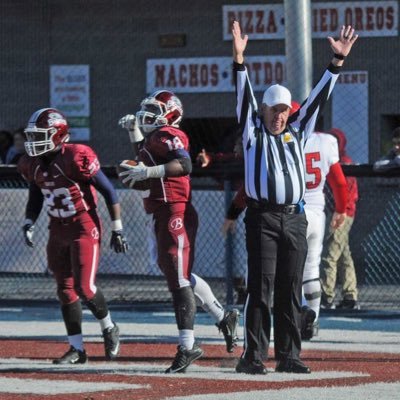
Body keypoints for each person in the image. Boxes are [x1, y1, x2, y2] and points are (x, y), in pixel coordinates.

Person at [231, 20, 358, 375]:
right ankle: (252, 357)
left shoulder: (298, 131)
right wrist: (239, 61)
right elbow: (243, 99)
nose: (280, 115)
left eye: (284, 110)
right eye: (274, 110)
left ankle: (289, 355)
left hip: (295, 217)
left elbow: (319, 96)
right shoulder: (253, 133)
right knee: (261, 287)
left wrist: (336, 62)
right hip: (263, 218)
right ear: (264, 111)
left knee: (290, 288)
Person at [117, 90, 240, 373]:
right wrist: (135, 132)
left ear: (170, 114)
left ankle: (187, 346)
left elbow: (183, 164)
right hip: (162, 210)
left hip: (176, 211)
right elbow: (145, 158)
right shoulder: (154, 138)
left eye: (153, 110)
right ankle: (223, 316)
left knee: (178, 278)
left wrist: (147, 174)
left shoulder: (169, 134)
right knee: (174, 271)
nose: (146, 115)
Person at [18, 108, 128, 364]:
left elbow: (109, 191)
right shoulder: (31, 163)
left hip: (83, 225)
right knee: (65, 290)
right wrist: (28, 221)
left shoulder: (76, 156)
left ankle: (109, 327)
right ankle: (77, 349)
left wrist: (117, 227)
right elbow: (36, 193)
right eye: (32, 136)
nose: (34, 142)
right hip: (57, 228)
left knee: (85, 288)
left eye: (40, 135)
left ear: (57, 135)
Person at [223, 130, 348, 342]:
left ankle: (265, 328)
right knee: (311, 269)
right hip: (317, 213)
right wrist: (342, 208)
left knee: (267, 272)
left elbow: (252, 186)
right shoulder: (324, 141)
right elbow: (339, 182)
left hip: (290, 213)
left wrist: (233, 212)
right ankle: (312, 318)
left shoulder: (278, 141)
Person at [320, 128, 360, 310]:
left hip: (343, 212)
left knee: (330, 254)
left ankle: (326, 295)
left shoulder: (345, 162)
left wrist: (341, 211)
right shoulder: (329, 160)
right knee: (344, 254)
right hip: (335, 210)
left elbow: (347, 193)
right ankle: (350, 295)